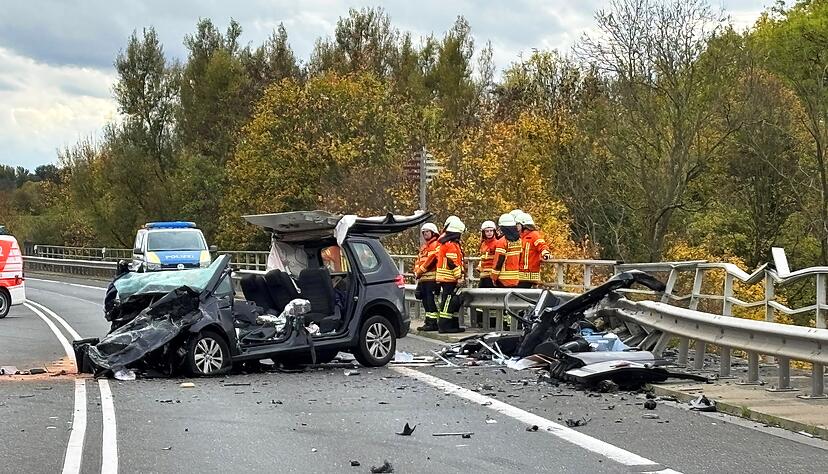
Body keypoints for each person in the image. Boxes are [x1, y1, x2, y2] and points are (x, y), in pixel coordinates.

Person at [490, 214, 522, 329]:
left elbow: (499, 261)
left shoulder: (502, 242)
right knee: (514, 303)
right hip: (516, 278)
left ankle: (504, 325)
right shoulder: (519, 241)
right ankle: (514, 324)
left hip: (503, 278)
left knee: (504, 303)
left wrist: (493, 277)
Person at [435, 217, 466, 333]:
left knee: (451, 301)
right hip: (449, 278)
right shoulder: (451, 245)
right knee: (448, 301)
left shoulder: (448, 244)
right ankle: (444, 326)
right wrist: (458, 277)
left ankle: (452, 325)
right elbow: (452, 262)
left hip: (447, 278)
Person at [413, 223, 440, 331]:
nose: (425, 234)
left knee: (430, 301)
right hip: (423, 278)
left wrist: (419, 271)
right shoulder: (424, 247)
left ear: (433, 233)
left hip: (431, 279)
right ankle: (428, 322)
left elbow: (431, 261)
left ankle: (433, 323)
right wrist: (416, 271)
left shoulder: (435, 245)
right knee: (425, 301)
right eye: (423, 232)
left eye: (427, 232)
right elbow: (418, 261)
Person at [516, 212, 551, 288]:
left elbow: (542, 245)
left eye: (518, 224)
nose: (516, 226)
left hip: (530, 275)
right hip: (521, 275)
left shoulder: (534, 235)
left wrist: (545, 253)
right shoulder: (521, 237)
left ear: (524, 225)